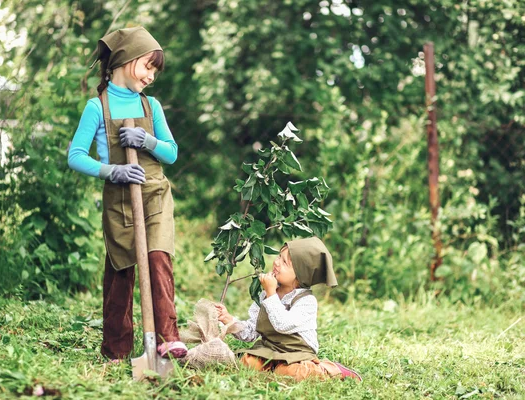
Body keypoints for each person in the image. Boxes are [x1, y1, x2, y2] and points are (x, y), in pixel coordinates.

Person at [68, 26, 187, 361]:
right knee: (120, 272)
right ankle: (117, 349)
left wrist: (148, 142)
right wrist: (113, 171)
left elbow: (172, 153)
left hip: (155, 195)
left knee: (158, 259)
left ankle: (167, 338)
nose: (151, 76)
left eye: (154, 70)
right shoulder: (97, 107)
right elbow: (76, 156)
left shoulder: (152, 107)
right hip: (119, 200)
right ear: (126, 59)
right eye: (148, 66)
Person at [215, 237, 362, 382]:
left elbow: (283, 324)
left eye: (284, 262)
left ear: (300, 276)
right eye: (279, 256)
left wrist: (271, 293)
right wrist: (229, 321)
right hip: (269, 349)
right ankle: (273, 366)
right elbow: (251, 332)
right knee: (247, 363)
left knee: (291, 372)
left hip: (297, 353)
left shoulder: (306, 301)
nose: (277, 262)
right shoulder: (266, 294)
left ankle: (329, 369)